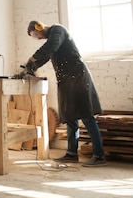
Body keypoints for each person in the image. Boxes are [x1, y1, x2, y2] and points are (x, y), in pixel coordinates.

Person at [25, 20, 107, 167]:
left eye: (36, 34)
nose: (37, 38)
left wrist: (33, 57)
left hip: (78, 77)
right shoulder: (51, 40)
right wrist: (30, 67)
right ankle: (71, 153)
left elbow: (51, 47)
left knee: (87, 117)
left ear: (40, 27)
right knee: (70, 117)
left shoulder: (58, 31)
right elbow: (45, 56)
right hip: (66, 80)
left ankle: (99, 155)